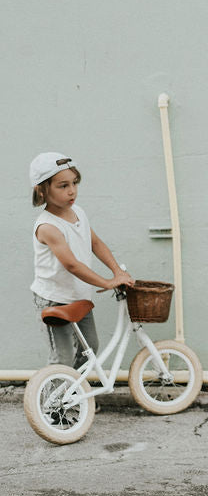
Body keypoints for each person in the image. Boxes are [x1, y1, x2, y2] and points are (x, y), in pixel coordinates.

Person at [29, 152, 134, 370]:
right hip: (54, 299)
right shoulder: (48, 226)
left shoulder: (78, 212)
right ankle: (51, 403)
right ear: (42, 189)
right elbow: (72, 265)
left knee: (90, 348)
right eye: (63, 185)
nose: (72, 190)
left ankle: (74, 396)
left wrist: (117, 272)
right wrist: (106, 283)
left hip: (78, 295)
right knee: (63, 357)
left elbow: (95, 243)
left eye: (75, 183)